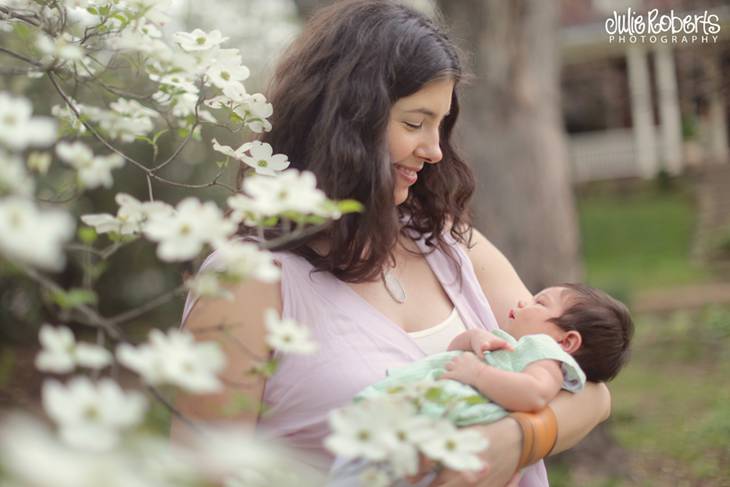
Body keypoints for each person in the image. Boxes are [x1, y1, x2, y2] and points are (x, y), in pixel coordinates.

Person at [172, 1, 612, 485]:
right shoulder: (246, 282)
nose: (435, 149)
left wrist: (515, 441)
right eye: (414, 123)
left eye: (441, 124)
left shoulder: (449, 244)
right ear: (348, 119)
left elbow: (589, 391)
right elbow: (201, 472)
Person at [354, 284, 633, 486]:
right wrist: (473, 338)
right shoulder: (516, 347)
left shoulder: (547, 357)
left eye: (540, 302)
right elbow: (451, 354)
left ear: (567, 342)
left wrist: (477, 374)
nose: (524, 303)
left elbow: (534, 394)